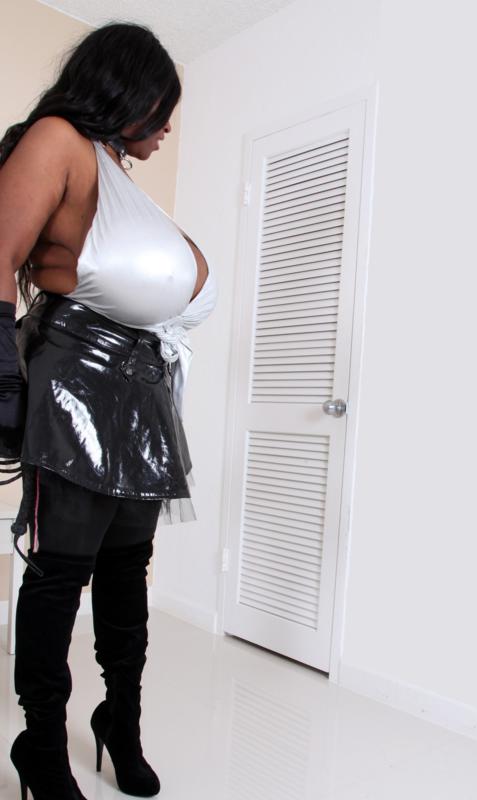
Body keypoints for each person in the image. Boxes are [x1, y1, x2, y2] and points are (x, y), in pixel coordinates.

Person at [0, 22, 216, 799]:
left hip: (144, 386)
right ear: (127, 90)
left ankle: (120, 722)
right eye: (162, 107)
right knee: (61, 572)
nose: (166, 128)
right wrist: (4, 378)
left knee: (128, 568)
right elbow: (0, 252)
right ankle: (41, 746)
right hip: (77, 379)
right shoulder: (57, 140)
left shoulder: (117, 174)